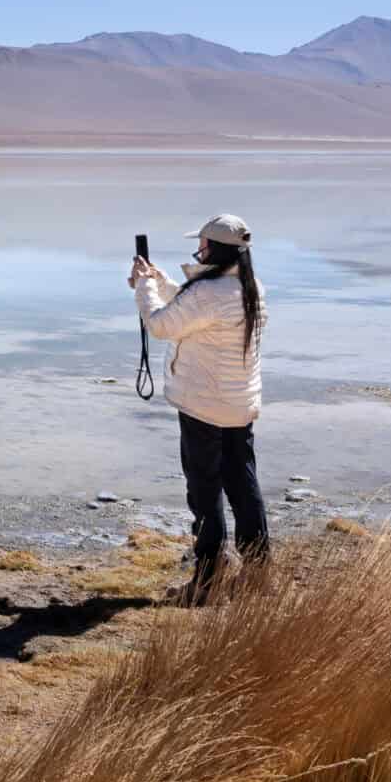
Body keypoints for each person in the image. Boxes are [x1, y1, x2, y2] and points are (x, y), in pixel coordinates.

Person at [129, 212, 268, 603]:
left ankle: (207, 582)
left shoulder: (209, 293)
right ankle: (257, 575)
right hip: (239, 404)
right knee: (244, 488)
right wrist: (159, 282)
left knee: (204, 492)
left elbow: (161, 326)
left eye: (203, 245)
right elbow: (193, 310)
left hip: (204, 407)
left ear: (215, 249)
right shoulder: (247, 286)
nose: (199, 250)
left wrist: (142, 287)